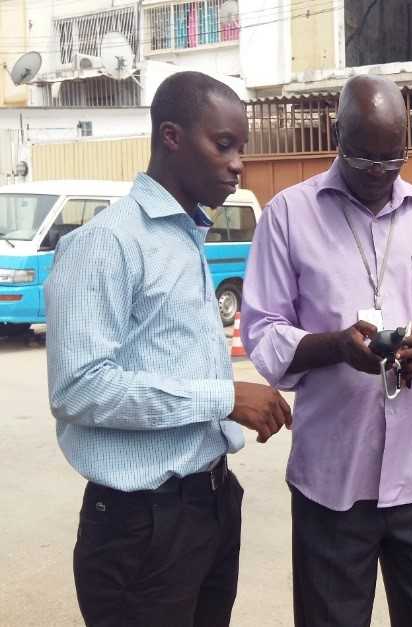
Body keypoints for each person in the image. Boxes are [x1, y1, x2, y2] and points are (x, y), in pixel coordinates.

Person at [45, 71, 292, 627]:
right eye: (223, 144)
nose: (237, 164)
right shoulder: (106, 243)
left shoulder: (184, 237)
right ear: (172, 137)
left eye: (241, 149)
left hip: (209, 502)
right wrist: (222, 398)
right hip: (141, 527)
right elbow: (80, 388)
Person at [240, 75, 412, 627]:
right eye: (365, 159)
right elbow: (263, 329)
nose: (378, 174)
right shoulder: (287, 216)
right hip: (332, 480)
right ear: (336, 133)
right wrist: (334, 348)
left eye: (391, 162)